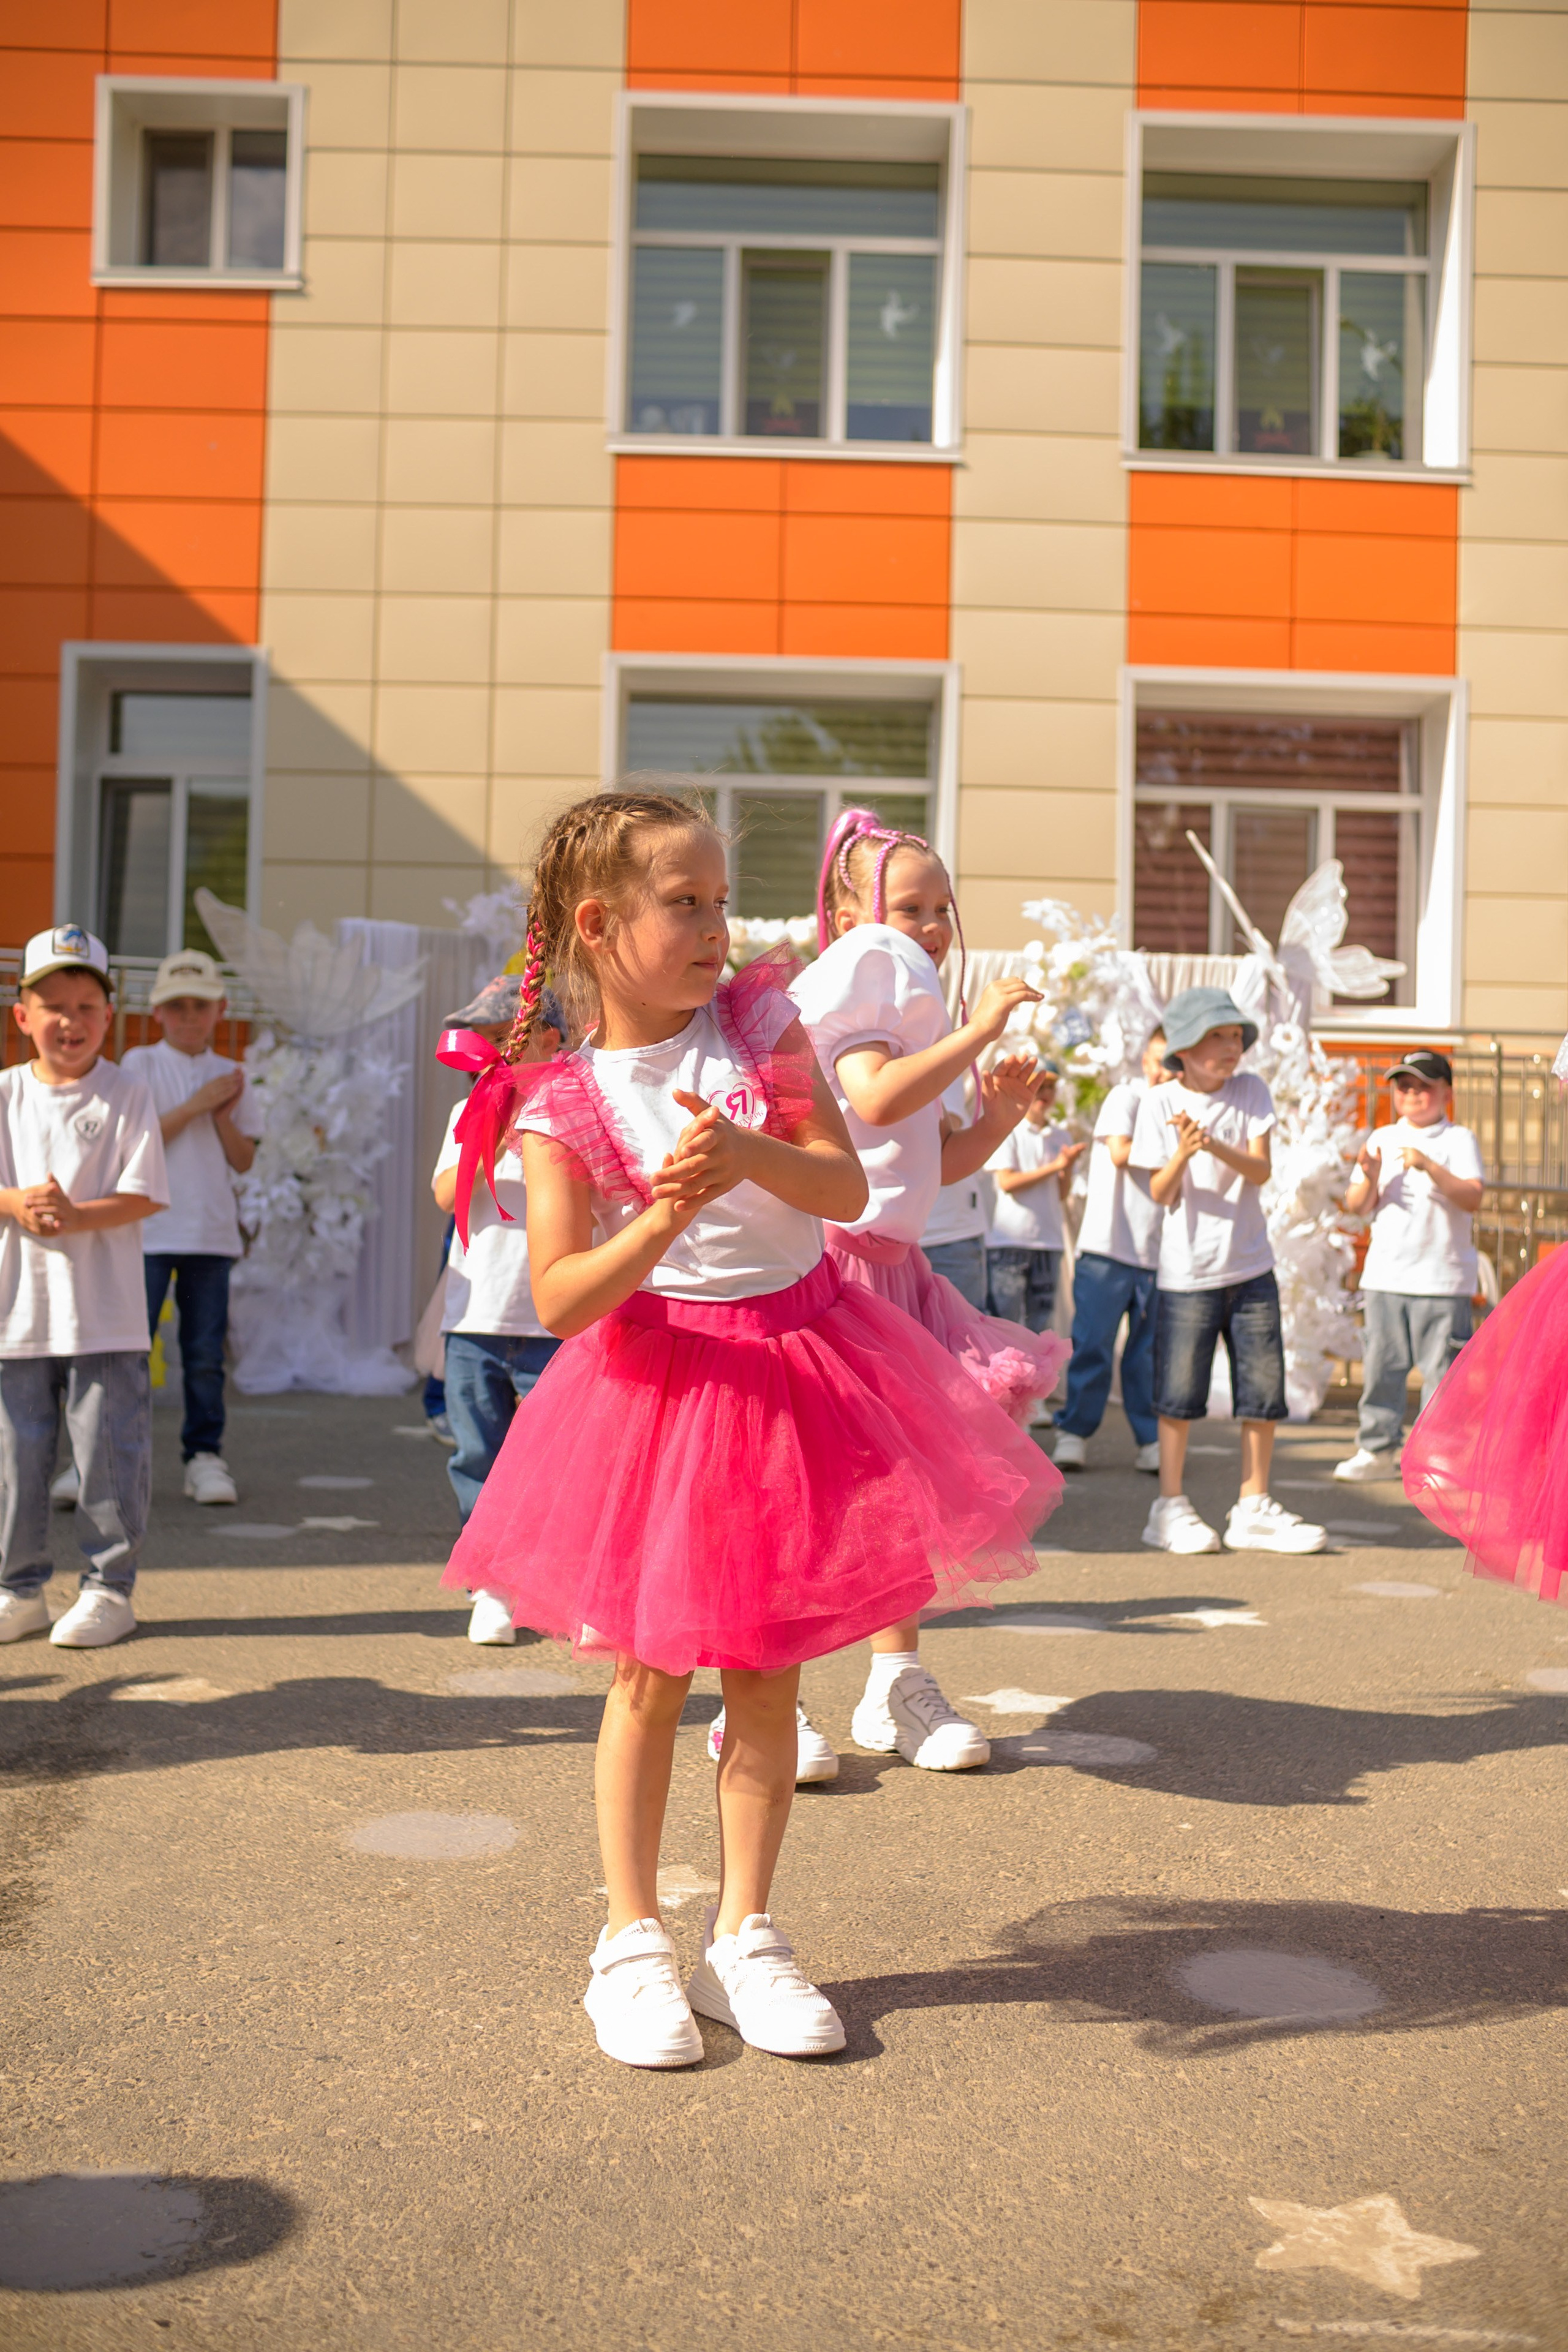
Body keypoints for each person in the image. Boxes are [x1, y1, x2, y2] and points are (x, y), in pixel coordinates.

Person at [442, 790, 1057, 2068]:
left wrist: (745, 1158)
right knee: (649, 1674)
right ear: (600, 925)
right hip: (657, 1392)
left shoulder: (764, 1028)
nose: (718, 925)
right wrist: (662, 1219)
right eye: (687, 903)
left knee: (767, 1671)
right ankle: (628, 1943)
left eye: (722, 900)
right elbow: (560, 1299)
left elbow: (842, 1184)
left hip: (794, 1367)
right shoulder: (559, 1096)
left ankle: (749, 1931)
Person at [780, 807, 1067, 1776]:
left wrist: (997, 1112)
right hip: (824, 1270)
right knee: (806, 1488)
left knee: (894, 1490)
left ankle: (893, 1684)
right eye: (911, 907)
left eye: (944, 907)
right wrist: (981, 1028)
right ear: (853, 910)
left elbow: (933, 1161)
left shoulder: (912, 1009)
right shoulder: (866, 984)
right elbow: (871, 1098)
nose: (934, 927)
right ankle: (763, 1694)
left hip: (892, 1271)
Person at [0, 925, 168, 1648]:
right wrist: (15, 1204)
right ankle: (19, 1587)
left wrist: (74, 1214)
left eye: (87, 1006)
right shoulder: (5, 1093)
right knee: (17, 1460)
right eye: (54, 1006)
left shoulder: (128, 1091)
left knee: (107, 1456)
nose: (71, 1022)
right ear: (22, 1016)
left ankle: (109, 1588)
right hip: (17, 1314)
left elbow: (145, 1194)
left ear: (110, 1014)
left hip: (106, 1317)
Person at [1128, 987, 1325, 1557]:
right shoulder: (1157, 1103)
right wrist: (1184, 1153)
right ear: (1186, 1047)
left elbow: (1260, 1170)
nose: (1231, 1047)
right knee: (1177, 1394)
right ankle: (1168, 1506)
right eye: (1219, 1036)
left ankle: (1254, 1506)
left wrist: (1212, 1144)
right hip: (1186, 1273)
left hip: (1251, 1267)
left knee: (1263, 1391)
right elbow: (1159, 1193)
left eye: (1236, 1036)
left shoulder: (1251, 1090)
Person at [432, 972, 566, 1644]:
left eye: (507, 1036)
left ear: (551, 1038)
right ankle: (492, 1582)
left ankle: (558, 1580)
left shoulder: (574, 1109)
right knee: (477, 1453)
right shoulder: (470, 1113)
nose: (494, 1050)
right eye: (486, 1038)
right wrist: (491, 1130)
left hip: (552, 1318)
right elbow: (442, 1192)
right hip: (475, 1314)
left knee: (558, 1458)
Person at [121, 948, 262, 1506]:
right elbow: (134, 1142)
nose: (187, 1016)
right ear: (158, 1013)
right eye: (176, 1006)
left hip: (210, 1232)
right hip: (148, 1231)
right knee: (130, 1349)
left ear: (219, 1010)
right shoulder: (139, 1063)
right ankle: (111, 1453)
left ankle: (204, 1455)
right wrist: (198, 1104)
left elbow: (244, 1159)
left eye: (198, 1006)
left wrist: (221, 1116)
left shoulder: (234, 1076)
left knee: (204, 1354)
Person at [1335, 1048, 1483, 1482]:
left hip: (1443, 1279)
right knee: (1382, 1368)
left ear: (1446, 1093)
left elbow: (1472, 1197)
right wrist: (1369, 1173)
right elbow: (1358, 1206)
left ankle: (1441, 1458)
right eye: (1405, 1086)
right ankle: (1378, 1448)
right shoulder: (1381, 1137)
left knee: (1444, 1378)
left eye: (1425, 1086)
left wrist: (1430, 1166)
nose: (1414, 1094)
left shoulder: (1459, 1140)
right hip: (1386, 1276)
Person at [1053, 1027, 1170, 1474]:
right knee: (1093, 1345)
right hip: (1107, 1247)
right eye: (1158, 1059)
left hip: (1157, 1253)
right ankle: (1073, 1432)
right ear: (1145, 1059)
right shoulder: (1128, 1096)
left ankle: (1150, 1441)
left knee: (1147, 1356)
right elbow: (1120, 1152)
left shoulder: (1181, 1105)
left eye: (1172, 1063)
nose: (1163, 1071)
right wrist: (1180, 1155)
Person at [984, 1059, 1084, 1346]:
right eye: (1040, 1084)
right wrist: (1057, 1167)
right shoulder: (1009, 1129)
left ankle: (1034, 1392)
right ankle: (1000, 1393)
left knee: (1038, 1333)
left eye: (1051, 1086)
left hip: (1049, 1243)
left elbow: (1062, 1194)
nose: (1046, 1092)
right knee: (1004, 1332)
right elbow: (1008, 1182)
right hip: (1010, 1244)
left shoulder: (1061, 1136)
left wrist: (1066, 1169)